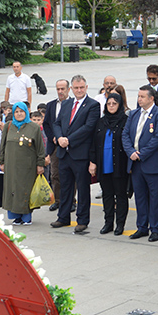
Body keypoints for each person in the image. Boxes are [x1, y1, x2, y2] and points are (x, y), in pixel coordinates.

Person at [51, 74, 100, 233]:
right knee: (65, 187)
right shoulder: (66, 104)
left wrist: (68, 139)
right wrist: (59, 138)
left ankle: (82, 220)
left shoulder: (93, 105)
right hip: (64, 154)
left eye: (82, 87)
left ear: (86, 88)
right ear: (71, 89)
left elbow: (88, 127)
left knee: (83, 189)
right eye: (76, 88)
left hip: (80, 154)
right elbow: (56, 123)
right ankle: (63, 217)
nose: (79, 90)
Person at [123, 85, 158, 241]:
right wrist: (131, 152)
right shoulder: (134, 114)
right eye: (138, 96)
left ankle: (156, 229)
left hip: (153, 164)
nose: (139, 99)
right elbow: (125, 135)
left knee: (155, 198)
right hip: (136, 164)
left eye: (142, 96)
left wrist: (141, 154)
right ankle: (142, 227)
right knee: (140, 197)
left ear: (151, 98)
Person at [89, 93, 130, 235]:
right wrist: (93, 161)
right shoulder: (101, 122)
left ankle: (120, 224)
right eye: (109, 104)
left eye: (114, 103)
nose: (111, 106)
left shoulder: (125, 121)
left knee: (120, 195)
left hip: (119, 164)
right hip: (103, 164)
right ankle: (108, 223)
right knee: (107, 194)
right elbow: (93, 143)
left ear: (120, 105)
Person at [0, 102, 45, 225]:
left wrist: (40, 164)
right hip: (11, 165)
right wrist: (2, 161)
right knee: (12, 190)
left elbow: (40, 148)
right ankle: (16, 216)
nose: (19, 114)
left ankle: (26, 217)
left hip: (28, 167)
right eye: (16, 112)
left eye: (22, 111)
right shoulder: (8, 126)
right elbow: (2, 146)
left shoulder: (33, 127)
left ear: (26, 112)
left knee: (25, 190)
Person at [43, 79, 70, 211]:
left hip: (70, 144)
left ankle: (72, 201)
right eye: (58, 89)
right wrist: (53, 137)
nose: (60, 92)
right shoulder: (51, 105)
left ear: (68, 89)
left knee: (71, 175)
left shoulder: (73, 104)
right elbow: (47, 124)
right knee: (55, 174)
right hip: (54, 145)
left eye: (63, 89)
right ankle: (58, 200)